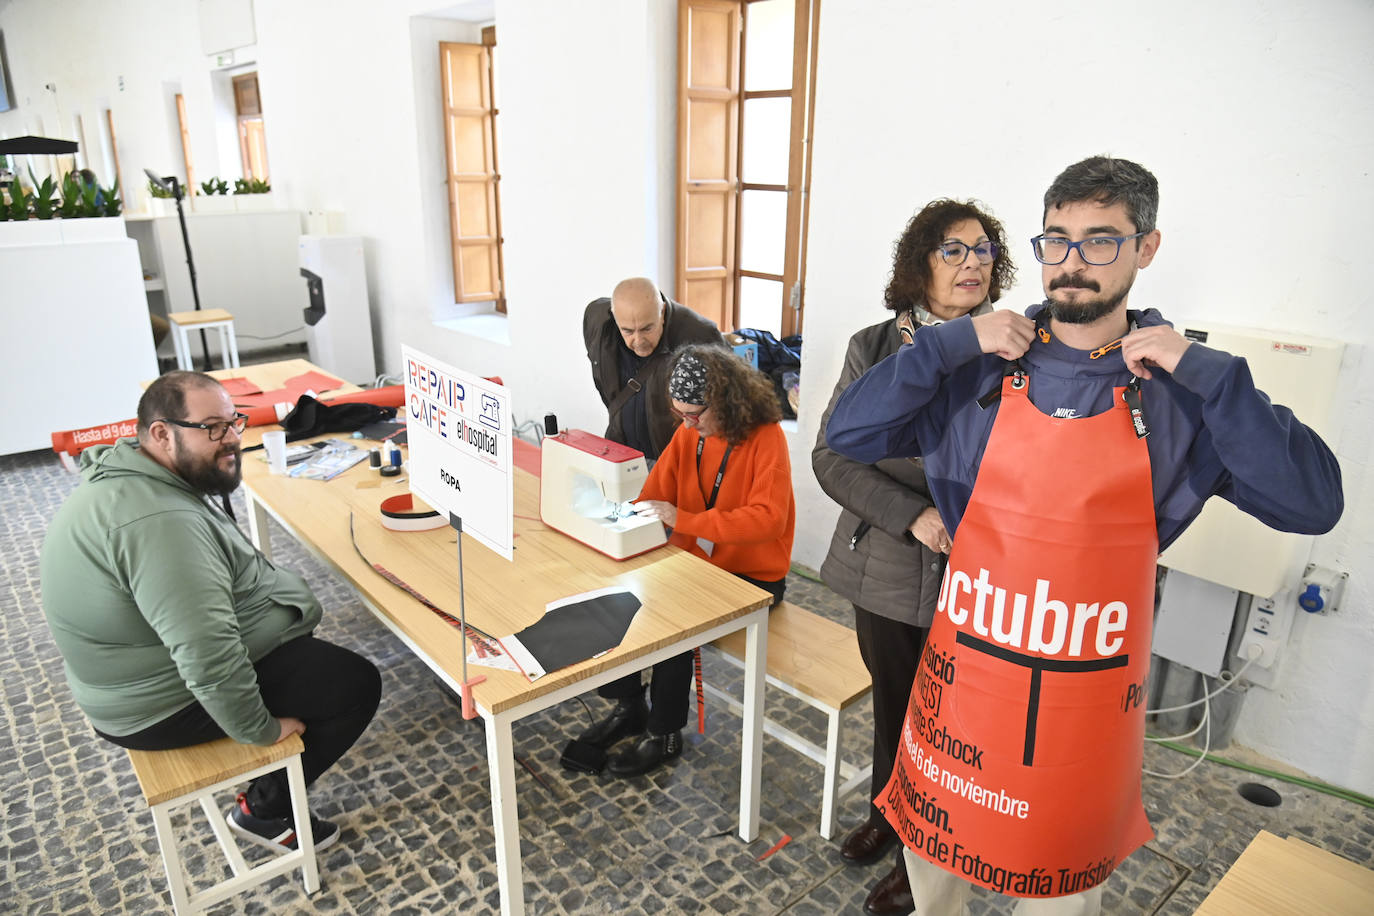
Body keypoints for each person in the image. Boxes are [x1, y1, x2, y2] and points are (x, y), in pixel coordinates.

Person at [826, 156, 1342, 915]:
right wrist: (945, 345)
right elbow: (849, 434)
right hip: (959, 716)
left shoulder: (1179, 393)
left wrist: (1215, 378)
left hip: (1078, 737)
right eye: (1057, 240)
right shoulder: (979, 368)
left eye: (1101, 241)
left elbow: (1310, 503)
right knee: (934, 893)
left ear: (1147, 248)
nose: (1072, 263)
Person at [40, 371, 381, 853]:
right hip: (155, 704)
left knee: (308, 657)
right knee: (355, 683)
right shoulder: (160, 523)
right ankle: (263, 812)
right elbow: (207, 655)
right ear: (161, 433)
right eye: (212, 429)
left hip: (130, 678)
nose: (232, 440)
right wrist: (260, 730)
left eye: (233, 423)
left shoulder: (135, 477)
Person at [812, 198, 1015, 915]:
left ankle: (922, 862)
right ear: (918, 265)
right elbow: (831, 457)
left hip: (977, 574)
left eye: (983, 250)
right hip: (890, 564)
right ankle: (886, 816)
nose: (971, 264)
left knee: (951, 728)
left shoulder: (1018, 351)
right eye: (952, 251)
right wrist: (915, 515)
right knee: (895, 703)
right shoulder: (874, 345)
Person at [582, 344, 796, 776]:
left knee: (673, 623)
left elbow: (768, 521)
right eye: (680, 414)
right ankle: (629, 705)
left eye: (695, 415)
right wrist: (621, 515)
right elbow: (653, 494)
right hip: (697, 561)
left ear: (726, 402)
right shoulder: (688, 434)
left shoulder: (766, 437)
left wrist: (687, 519)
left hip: (751, 575)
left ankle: (665, 733)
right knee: (616, 591)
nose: (687, 423)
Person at [583, 276, 726, 461]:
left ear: (663, 312)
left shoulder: (700, 335)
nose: (638, 340)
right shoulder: (598, 321)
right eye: (627, 331)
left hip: (673, 460)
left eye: (647, 328)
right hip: (620, 451)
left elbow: (725, 400)